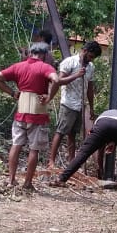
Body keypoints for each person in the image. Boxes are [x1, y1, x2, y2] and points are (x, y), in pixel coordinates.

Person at [0, 42, 59, 190]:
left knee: (16, 145)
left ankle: (11, 180)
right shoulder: (45, 67)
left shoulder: (18, 66)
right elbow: (56, 80)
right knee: (33, 149)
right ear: (44, 54)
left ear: (30, 53)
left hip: (20, 113)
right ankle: (27, 183)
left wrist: (12, 93)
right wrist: (49, 97)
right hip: (38, 114)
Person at [47, 40, 102, 168]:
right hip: (68, 104)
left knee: (73, 134)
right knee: (61, 132)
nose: (91, 60)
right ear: (85, 51)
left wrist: (91, 107)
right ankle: (51, 161)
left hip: (80, 104)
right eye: (90, 56)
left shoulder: (90, 67)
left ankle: (71, 162)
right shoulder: (69, 62)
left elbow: (90, 88)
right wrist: (76, 75)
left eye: (93, 58)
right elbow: (59, 81)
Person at [49, 109, 117, 188]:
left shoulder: (106, 113)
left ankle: (61, 179)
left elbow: (100, 151)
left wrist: (100, 170)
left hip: (101, 125)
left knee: (83, 153)